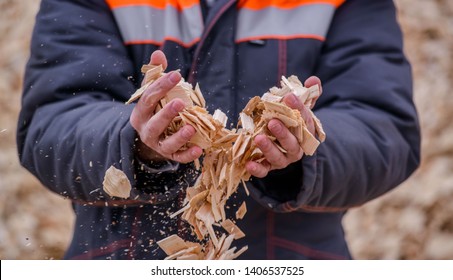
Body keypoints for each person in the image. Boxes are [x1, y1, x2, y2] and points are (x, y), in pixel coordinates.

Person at [17, 0, 420, 259]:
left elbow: (385, 127)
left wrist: (305, 145)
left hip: (290, 260)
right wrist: (135, 143)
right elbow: (51, 122)